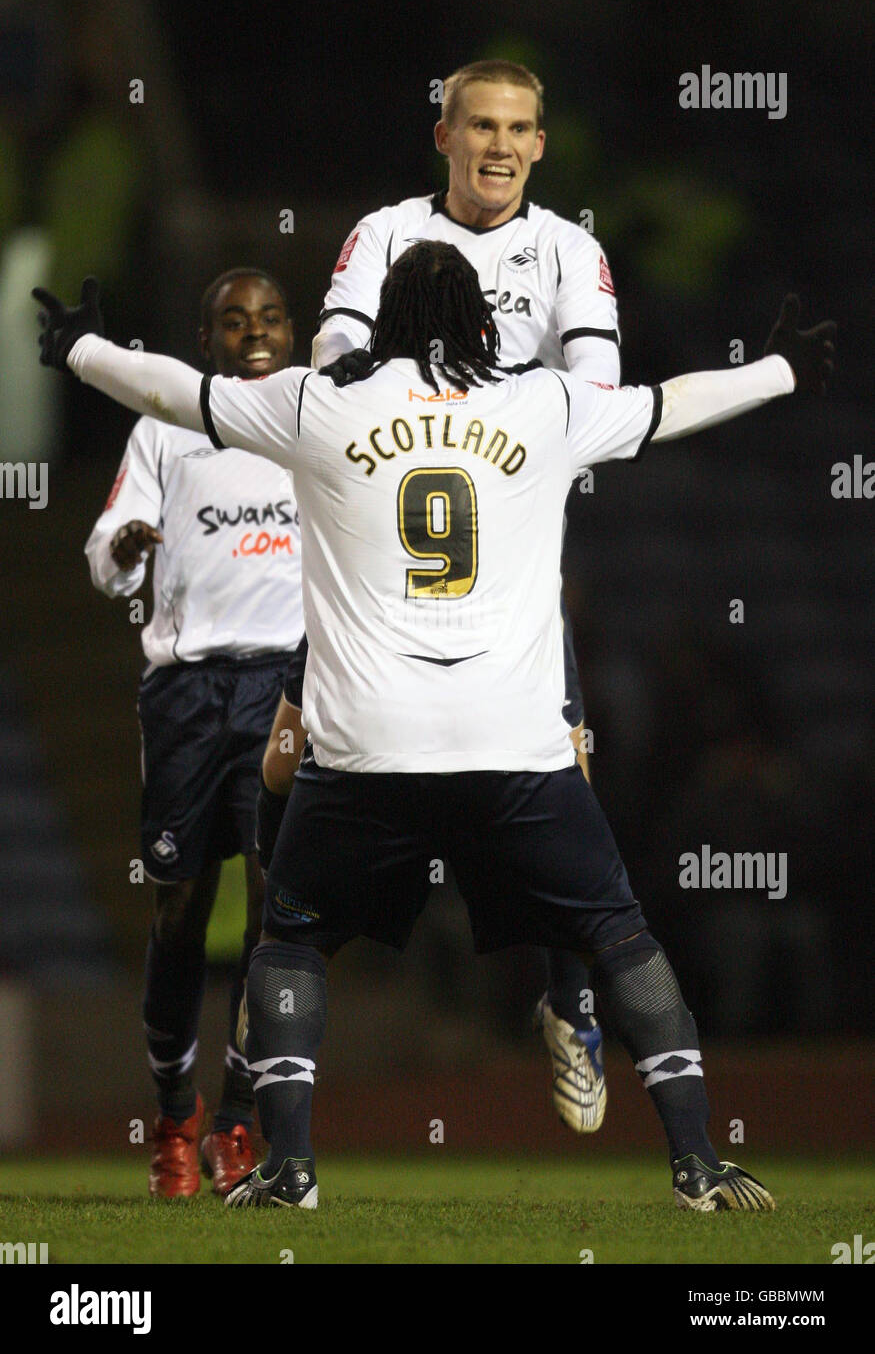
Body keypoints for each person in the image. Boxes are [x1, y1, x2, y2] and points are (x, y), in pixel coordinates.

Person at [34, 243, 834, 1211]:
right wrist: (779, 368)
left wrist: (80, 349)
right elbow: (670, 406)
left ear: (381, 323)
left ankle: (286, 1167)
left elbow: (176, 393)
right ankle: (696, 1160)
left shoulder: (316, 404)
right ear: (486, 324)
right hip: (512, 742)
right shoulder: (543, 404)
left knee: (288, 939)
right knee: (618, 932)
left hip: (367, 741)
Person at [262, 58, 623, 1135]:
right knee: (287, 750)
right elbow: (332, 361)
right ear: (444, 135)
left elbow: (595, 400)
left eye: (518, 128)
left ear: (540, 144)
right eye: (479, 125)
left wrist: (472, 414)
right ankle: (273, 988)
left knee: (566, 764)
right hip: (380, 544)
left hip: (500, 553)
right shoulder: (380, 236)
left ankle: (570, 1004)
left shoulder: (569, 250)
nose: (499, 146)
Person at [83, 269, 304, 1197]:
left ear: (292, 334)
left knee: (270, 912)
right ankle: (175, 1119)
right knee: (178, 909)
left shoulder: (314, 422)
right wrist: (125, 549)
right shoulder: (165, 429)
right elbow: (105, 551)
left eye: (269, 319)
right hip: (184, 694)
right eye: (232, 321)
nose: (254, 333)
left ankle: (239, 1124)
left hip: (286, 690)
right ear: (203, 339)